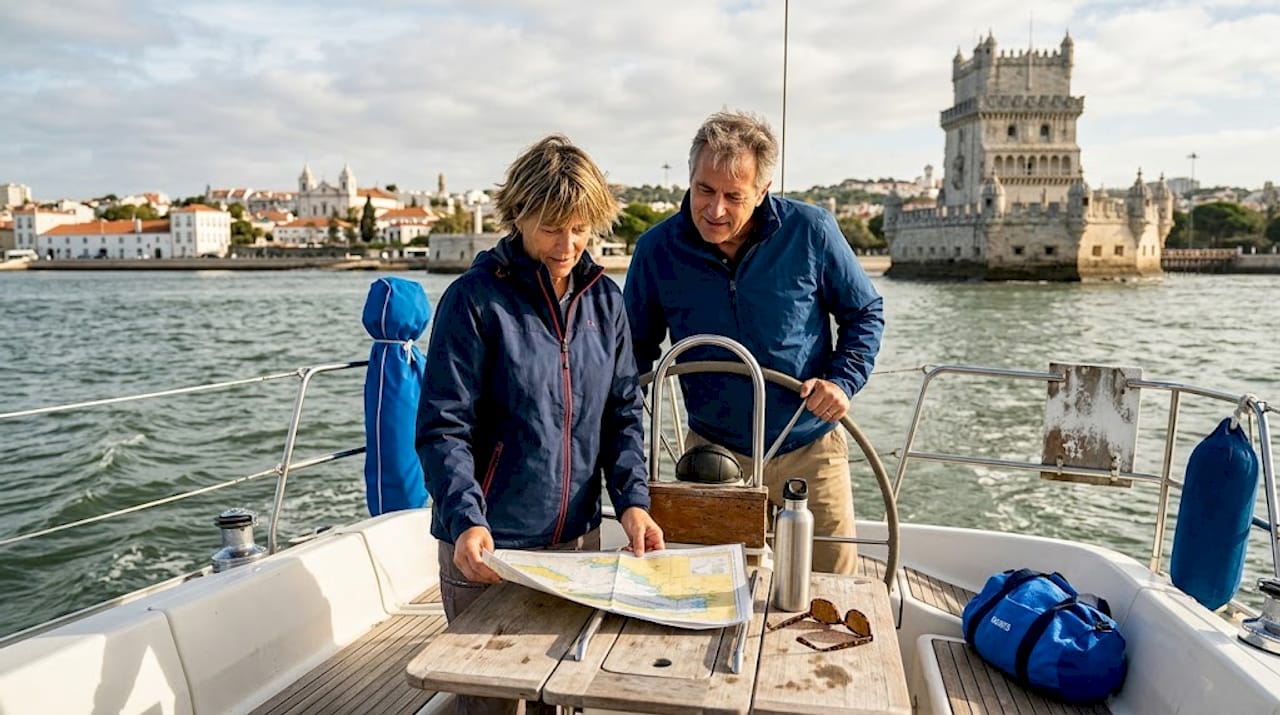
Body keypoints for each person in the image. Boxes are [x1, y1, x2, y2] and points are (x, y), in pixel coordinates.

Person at [417, 134, 664, 715]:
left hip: (576, 546)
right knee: (488, 703)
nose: (568, 244)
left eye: (581, 228)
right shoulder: (472, 302)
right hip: (488, 550)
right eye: (553, 226)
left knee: (564, 697)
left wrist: (632, 501)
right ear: (518, 213)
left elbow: (624, 413)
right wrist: (466, 519)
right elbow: (442, 427)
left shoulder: (607, 302)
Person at [624, 110, 883, 575]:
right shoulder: (656, 250)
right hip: (710, 455)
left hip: (810, 447)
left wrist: (842, 381)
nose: (714, 209)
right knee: (703, 589)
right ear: (690, 177)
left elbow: (864, 312)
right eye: (704, 189)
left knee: (830, 587)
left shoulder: (811, 231)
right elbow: (633, 354)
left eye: (733, 196)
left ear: (762, 192)